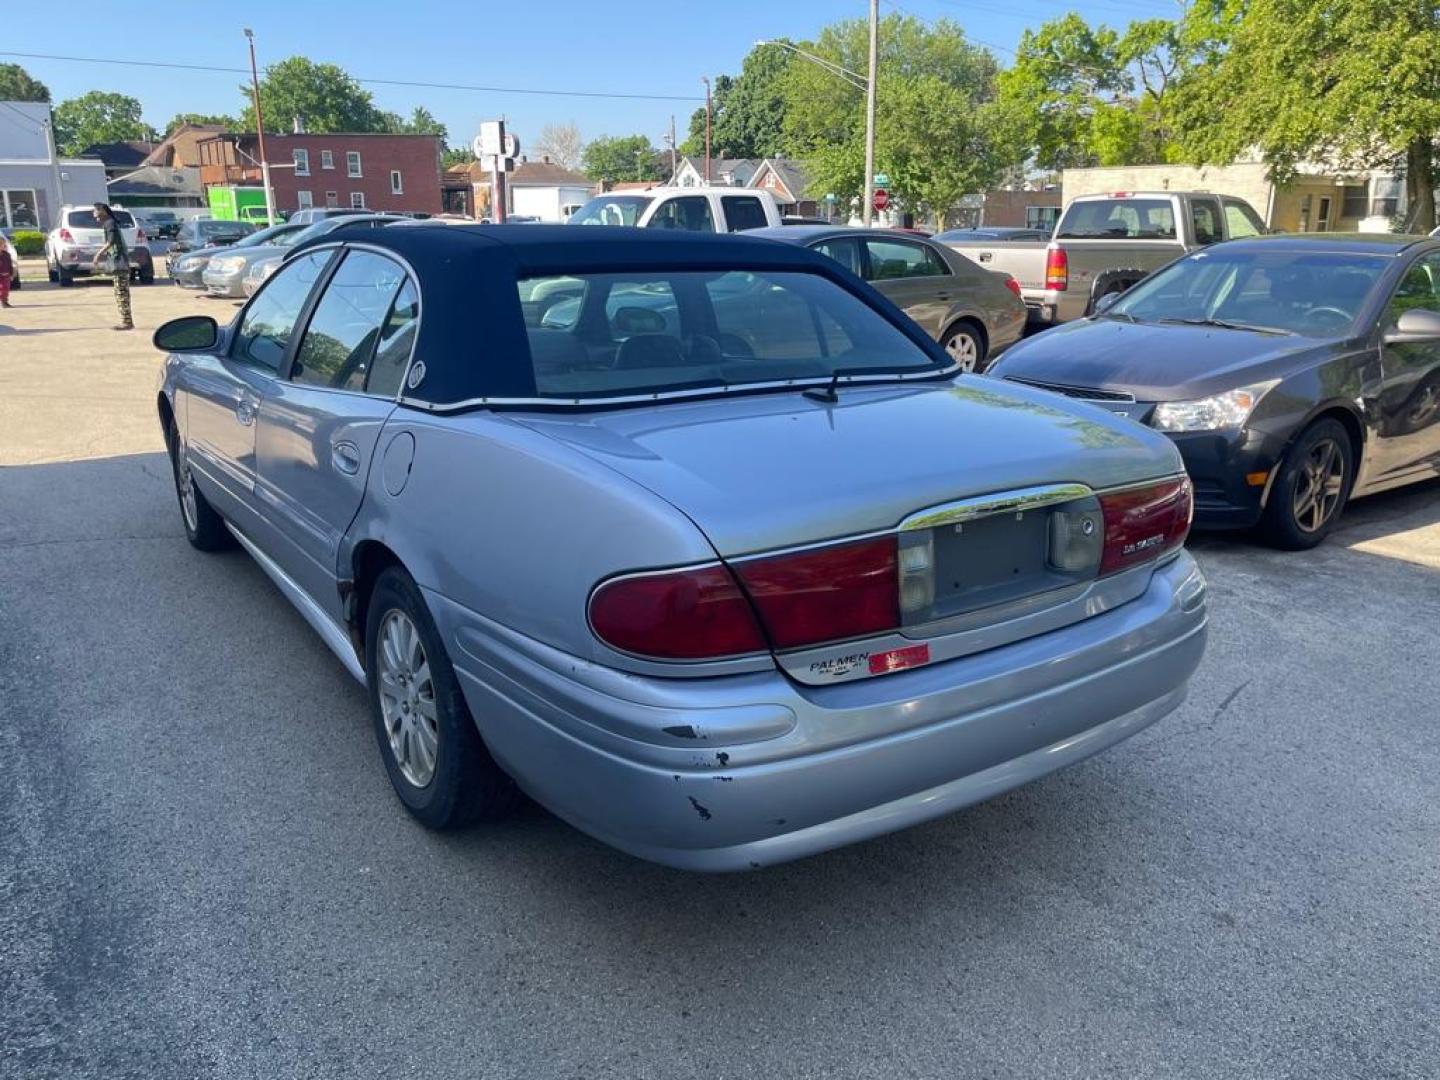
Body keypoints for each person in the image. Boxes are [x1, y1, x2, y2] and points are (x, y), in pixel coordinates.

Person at [92, 202, 133, 330]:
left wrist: (97, 255)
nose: (94, 214)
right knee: (120, 291)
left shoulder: (110, 223)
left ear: (103, 211)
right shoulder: (109, 223)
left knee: (121, 291)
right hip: (118, 260)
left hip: (119, 261)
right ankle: (126, 320)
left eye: (96, 210)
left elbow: (111, 242)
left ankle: (127, 322)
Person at [0, 241, 13, 308]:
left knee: (6, 289)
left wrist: (11, 274)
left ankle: (5, 301)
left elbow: (10, 265)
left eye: (5, 245)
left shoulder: (7, 255)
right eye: (3, 245)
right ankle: (3, 302)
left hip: (6, 275)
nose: (5, 247)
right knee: (2, 289)